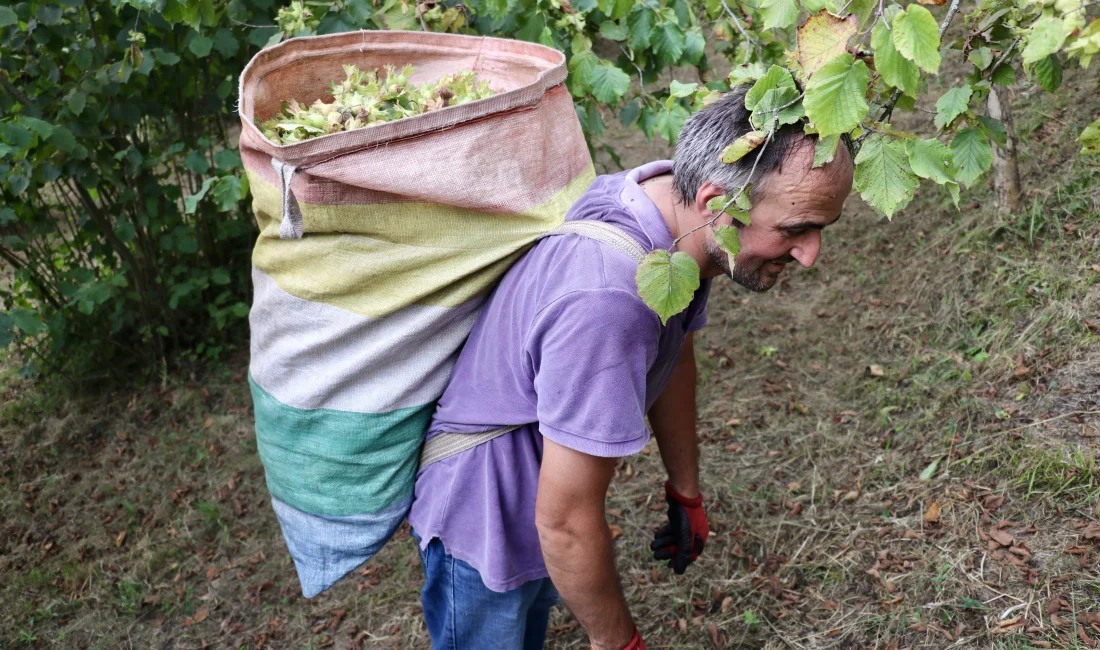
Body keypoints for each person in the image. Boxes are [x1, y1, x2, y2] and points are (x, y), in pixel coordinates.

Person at [406, 86, 855, 650]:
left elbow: (675, 350)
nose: (811, 253)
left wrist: (685, 488)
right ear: (717, 202)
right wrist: (619, 643)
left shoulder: (671, 212)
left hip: (544, 496)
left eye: (821, 228)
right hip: (484, 518)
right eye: (795, 229)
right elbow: (565, 524)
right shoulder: (609, 300)